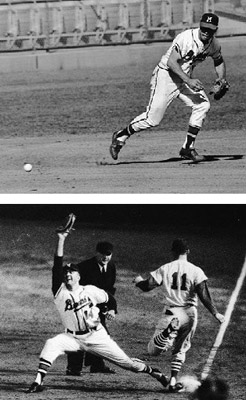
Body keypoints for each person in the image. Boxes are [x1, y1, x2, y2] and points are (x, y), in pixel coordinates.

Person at [27, 229, 169, 393]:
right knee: (51, 344)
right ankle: (38, 381)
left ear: (79, 276)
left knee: (128, 364)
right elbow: (57, 264)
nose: (68, 275)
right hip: (72, 337)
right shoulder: (60, 292)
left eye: (72, 272)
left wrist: (112, 310)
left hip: (96, 336)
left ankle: (155, 373)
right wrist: (61, 239)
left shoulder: (91, 290)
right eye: (66, 273)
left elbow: (110, 298)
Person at [110, 12, 228, 163]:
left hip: (184, 79)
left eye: (210, 29)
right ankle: (120, 136)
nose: (206, 31)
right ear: (200, 25)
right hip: (166, 77)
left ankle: (188, 148)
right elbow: (172, 62)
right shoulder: (186, 38)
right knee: (152, 120)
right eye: (203, 28)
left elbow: (218, 60)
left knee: (203, 105)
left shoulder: (214, 44)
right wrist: (189, 80)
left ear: (215, 30)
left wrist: (221, 78)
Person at [133, 238, 225, 392]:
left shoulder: (166, 268)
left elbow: (148, 286)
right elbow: (204, 294)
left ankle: (166, 334)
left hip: (172, 313)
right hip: (189, 314)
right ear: (187, 251)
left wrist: (138, 281)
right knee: (181, 349)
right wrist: (216, 313)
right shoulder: (196, 270)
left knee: (153, 350)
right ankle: (173, 380)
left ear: (172, 252)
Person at [66, 240, 117, 375]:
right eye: (103, 254)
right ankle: (73, 368)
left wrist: (110, 308)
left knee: (100, 335)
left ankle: (97, 365)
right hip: (81, 307)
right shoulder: (83, 267)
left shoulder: (111, 267)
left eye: (108, 254)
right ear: (96, 253)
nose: (105, 257)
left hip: (99, 308)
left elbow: (109, 290)